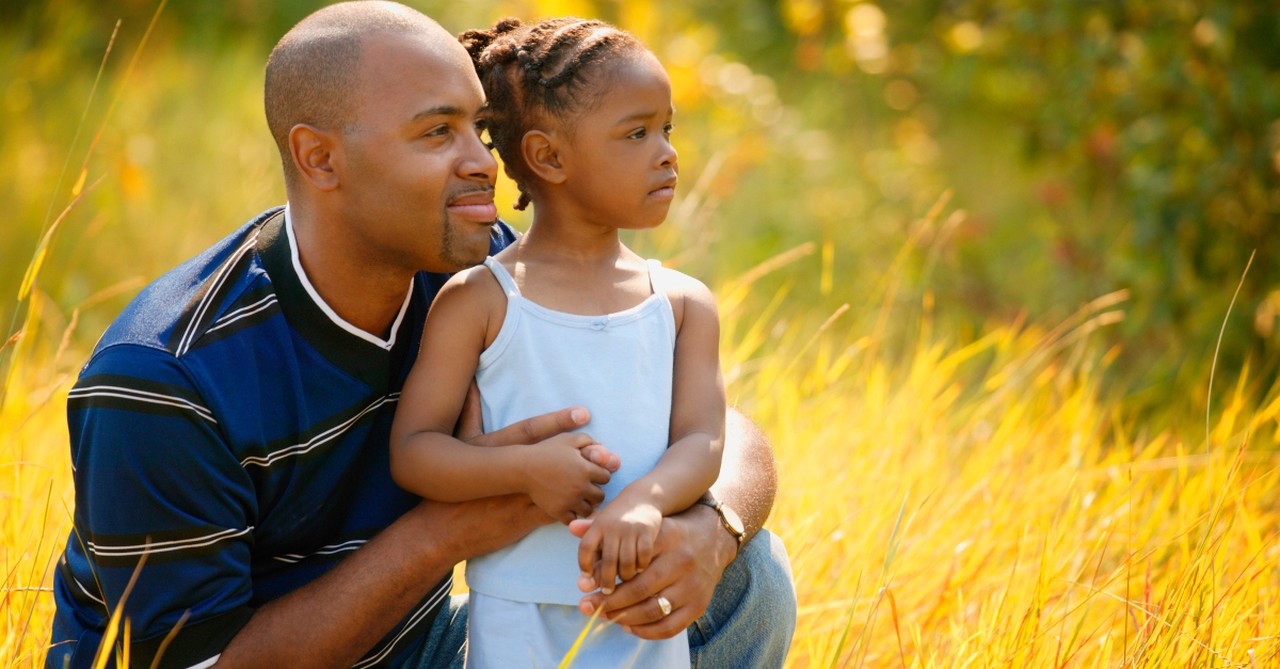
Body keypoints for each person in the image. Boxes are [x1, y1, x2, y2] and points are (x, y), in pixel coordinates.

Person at [46, 2, 796, 668]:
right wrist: (445, 532)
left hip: (418, 642)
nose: (483, 163)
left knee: (748, 575)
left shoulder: (483, 264)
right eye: (438, 131)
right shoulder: (165, 378)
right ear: (320, 157)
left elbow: (711, 423)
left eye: (479, 126)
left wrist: (713, 528)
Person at [388, 17, 725, 668]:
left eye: (667, 129)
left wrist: (642, 503)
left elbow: (703, 439)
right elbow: (414, 452)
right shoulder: (480, 300)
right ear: (548, 157)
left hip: (641, 603)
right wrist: (524, 470)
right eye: (637, 132)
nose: (667, 152)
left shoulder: (681, 304)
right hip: (518, 614)